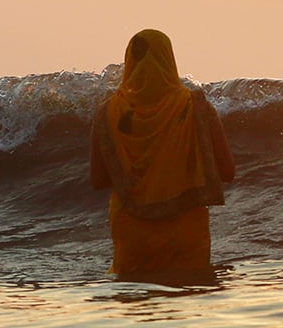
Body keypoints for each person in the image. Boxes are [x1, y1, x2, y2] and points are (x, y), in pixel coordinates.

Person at [90, 28, 235, 278]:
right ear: (170, 59)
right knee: (188, 303)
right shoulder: (195, 106)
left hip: (133, 235)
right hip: (186, 233)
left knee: (136, 309)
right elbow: (227, 171)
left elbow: (98, 180)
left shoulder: (108, 113)